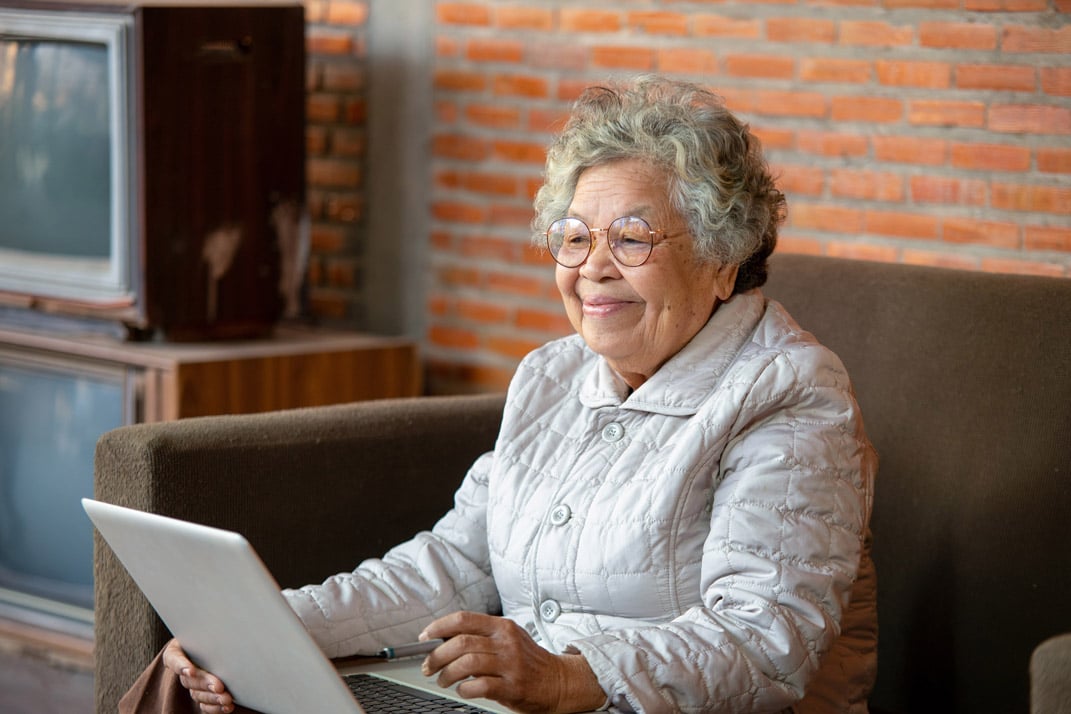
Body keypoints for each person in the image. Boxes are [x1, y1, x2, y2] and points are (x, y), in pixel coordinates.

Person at [132, 74, 877, 714]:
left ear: (723, 260)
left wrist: (564, 679)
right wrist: (264, 627)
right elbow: (453, 564)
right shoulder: (552, 376)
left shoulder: (789, 394)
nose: (593, 267)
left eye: (631, 238)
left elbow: (764, 641)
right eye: (575, 237)